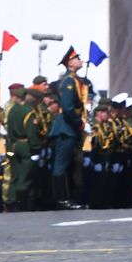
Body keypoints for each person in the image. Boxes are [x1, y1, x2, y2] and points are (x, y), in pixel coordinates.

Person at [48, 47, 88, 210]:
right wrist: (79, 122)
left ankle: (65, 197)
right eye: (77, 58)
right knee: (61, 164)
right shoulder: (69, 82)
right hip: (66, 127)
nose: (81, 60)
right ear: (70, 63)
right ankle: (61, 199)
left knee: (66, 164)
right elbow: (67, 106)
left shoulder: (75, 80)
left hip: (69, 127)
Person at [3, 83, 33, 212]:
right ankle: (17, 201)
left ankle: (11, 200)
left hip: (12, 144)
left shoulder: (11, 108)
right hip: (21, 144)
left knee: (13, 175)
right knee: (20, 175)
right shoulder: (22, 109)